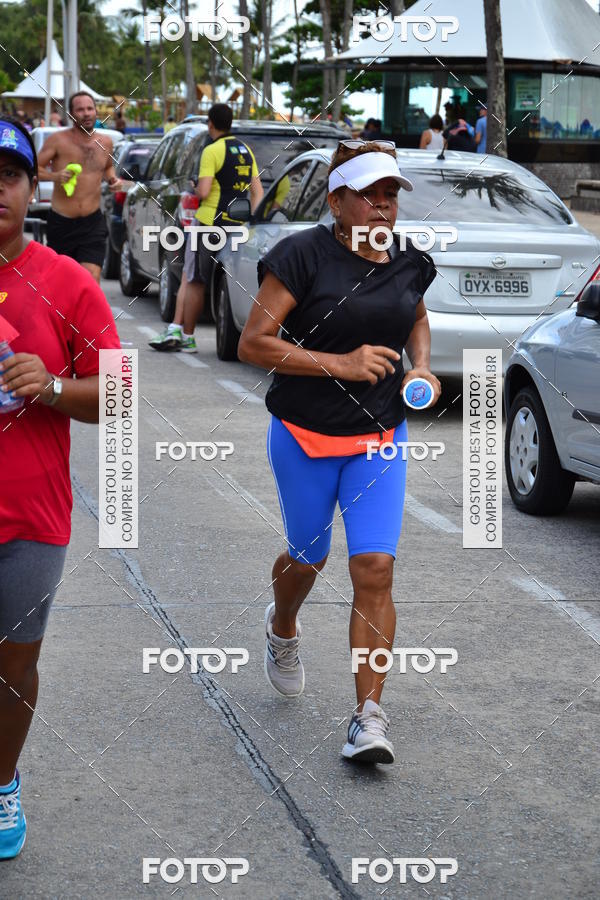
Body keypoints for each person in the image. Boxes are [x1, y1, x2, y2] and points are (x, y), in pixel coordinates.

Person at [238, 139, 441, 764]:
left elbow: (416, 318)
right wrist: (340, 364)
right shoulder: (302, 256)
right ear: (337, 201)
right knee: (308, 555)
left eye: (392, 196)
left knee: (374, 568)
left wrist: (425, 369)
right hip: (303, 433)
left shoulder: (407, 262)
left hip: (379, 435)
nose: (384, 208)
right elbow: (253, 343)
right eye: (371, 196)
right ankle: (283, 625)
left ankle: (368, 716)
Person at [0, 118, 120, 858]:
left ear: (30, 185)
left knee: (13, 663)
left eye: (7, 177)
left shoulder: (67, 281)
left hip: (31, 517)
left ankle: (2, 782)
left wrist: (51, 387)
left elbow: (120, 393)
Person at [150, 103, 263, 352]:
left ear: (210, 124)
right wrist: (251, 223)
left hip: (208, 223)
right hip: (236, 225)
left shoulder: (211, 151)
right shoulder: (246, 150)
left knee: (195, 280)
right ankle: (186, 330)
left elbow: (203, 191)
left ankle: (187, 336)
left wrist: (194, 185)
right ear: (230, 122)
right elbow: (258, 193)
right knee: (228, 280)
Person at [37, 91, 123, 283]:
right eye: (80, 109)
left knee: (90, 279)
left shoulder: (105, 142)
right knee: (61, 282)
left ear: (96, 111)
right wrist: (55, 176)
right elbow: (32, 168)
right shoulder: (58, 140)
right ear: (71, 115)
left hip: (92, 223)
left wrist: (113, 181)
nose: (86, 113)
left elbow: (108, 167)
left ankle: (85, 314)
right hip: (61, 223)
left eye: (90, 108)